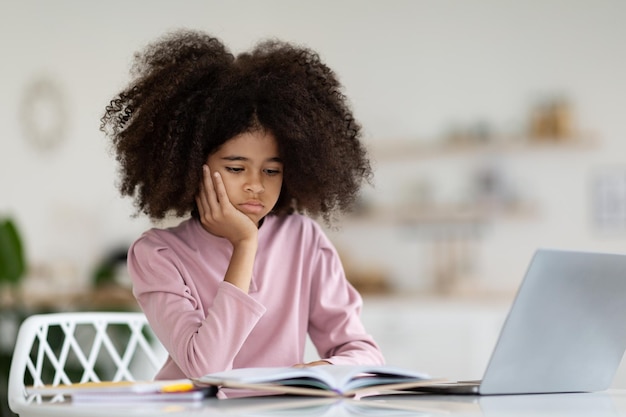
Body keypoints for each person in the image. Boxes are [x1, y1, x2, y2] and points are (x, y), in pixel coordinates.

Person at [100, 28, 385, 382]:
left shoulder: (303, 239)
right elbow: (206, 369)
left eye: (271, 170)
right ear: (190, 164)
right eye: (236, 168)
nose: (256, 185)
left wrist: (328, 370)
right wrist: (245, 243)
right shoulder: (157, 254)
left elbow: (364, 352)